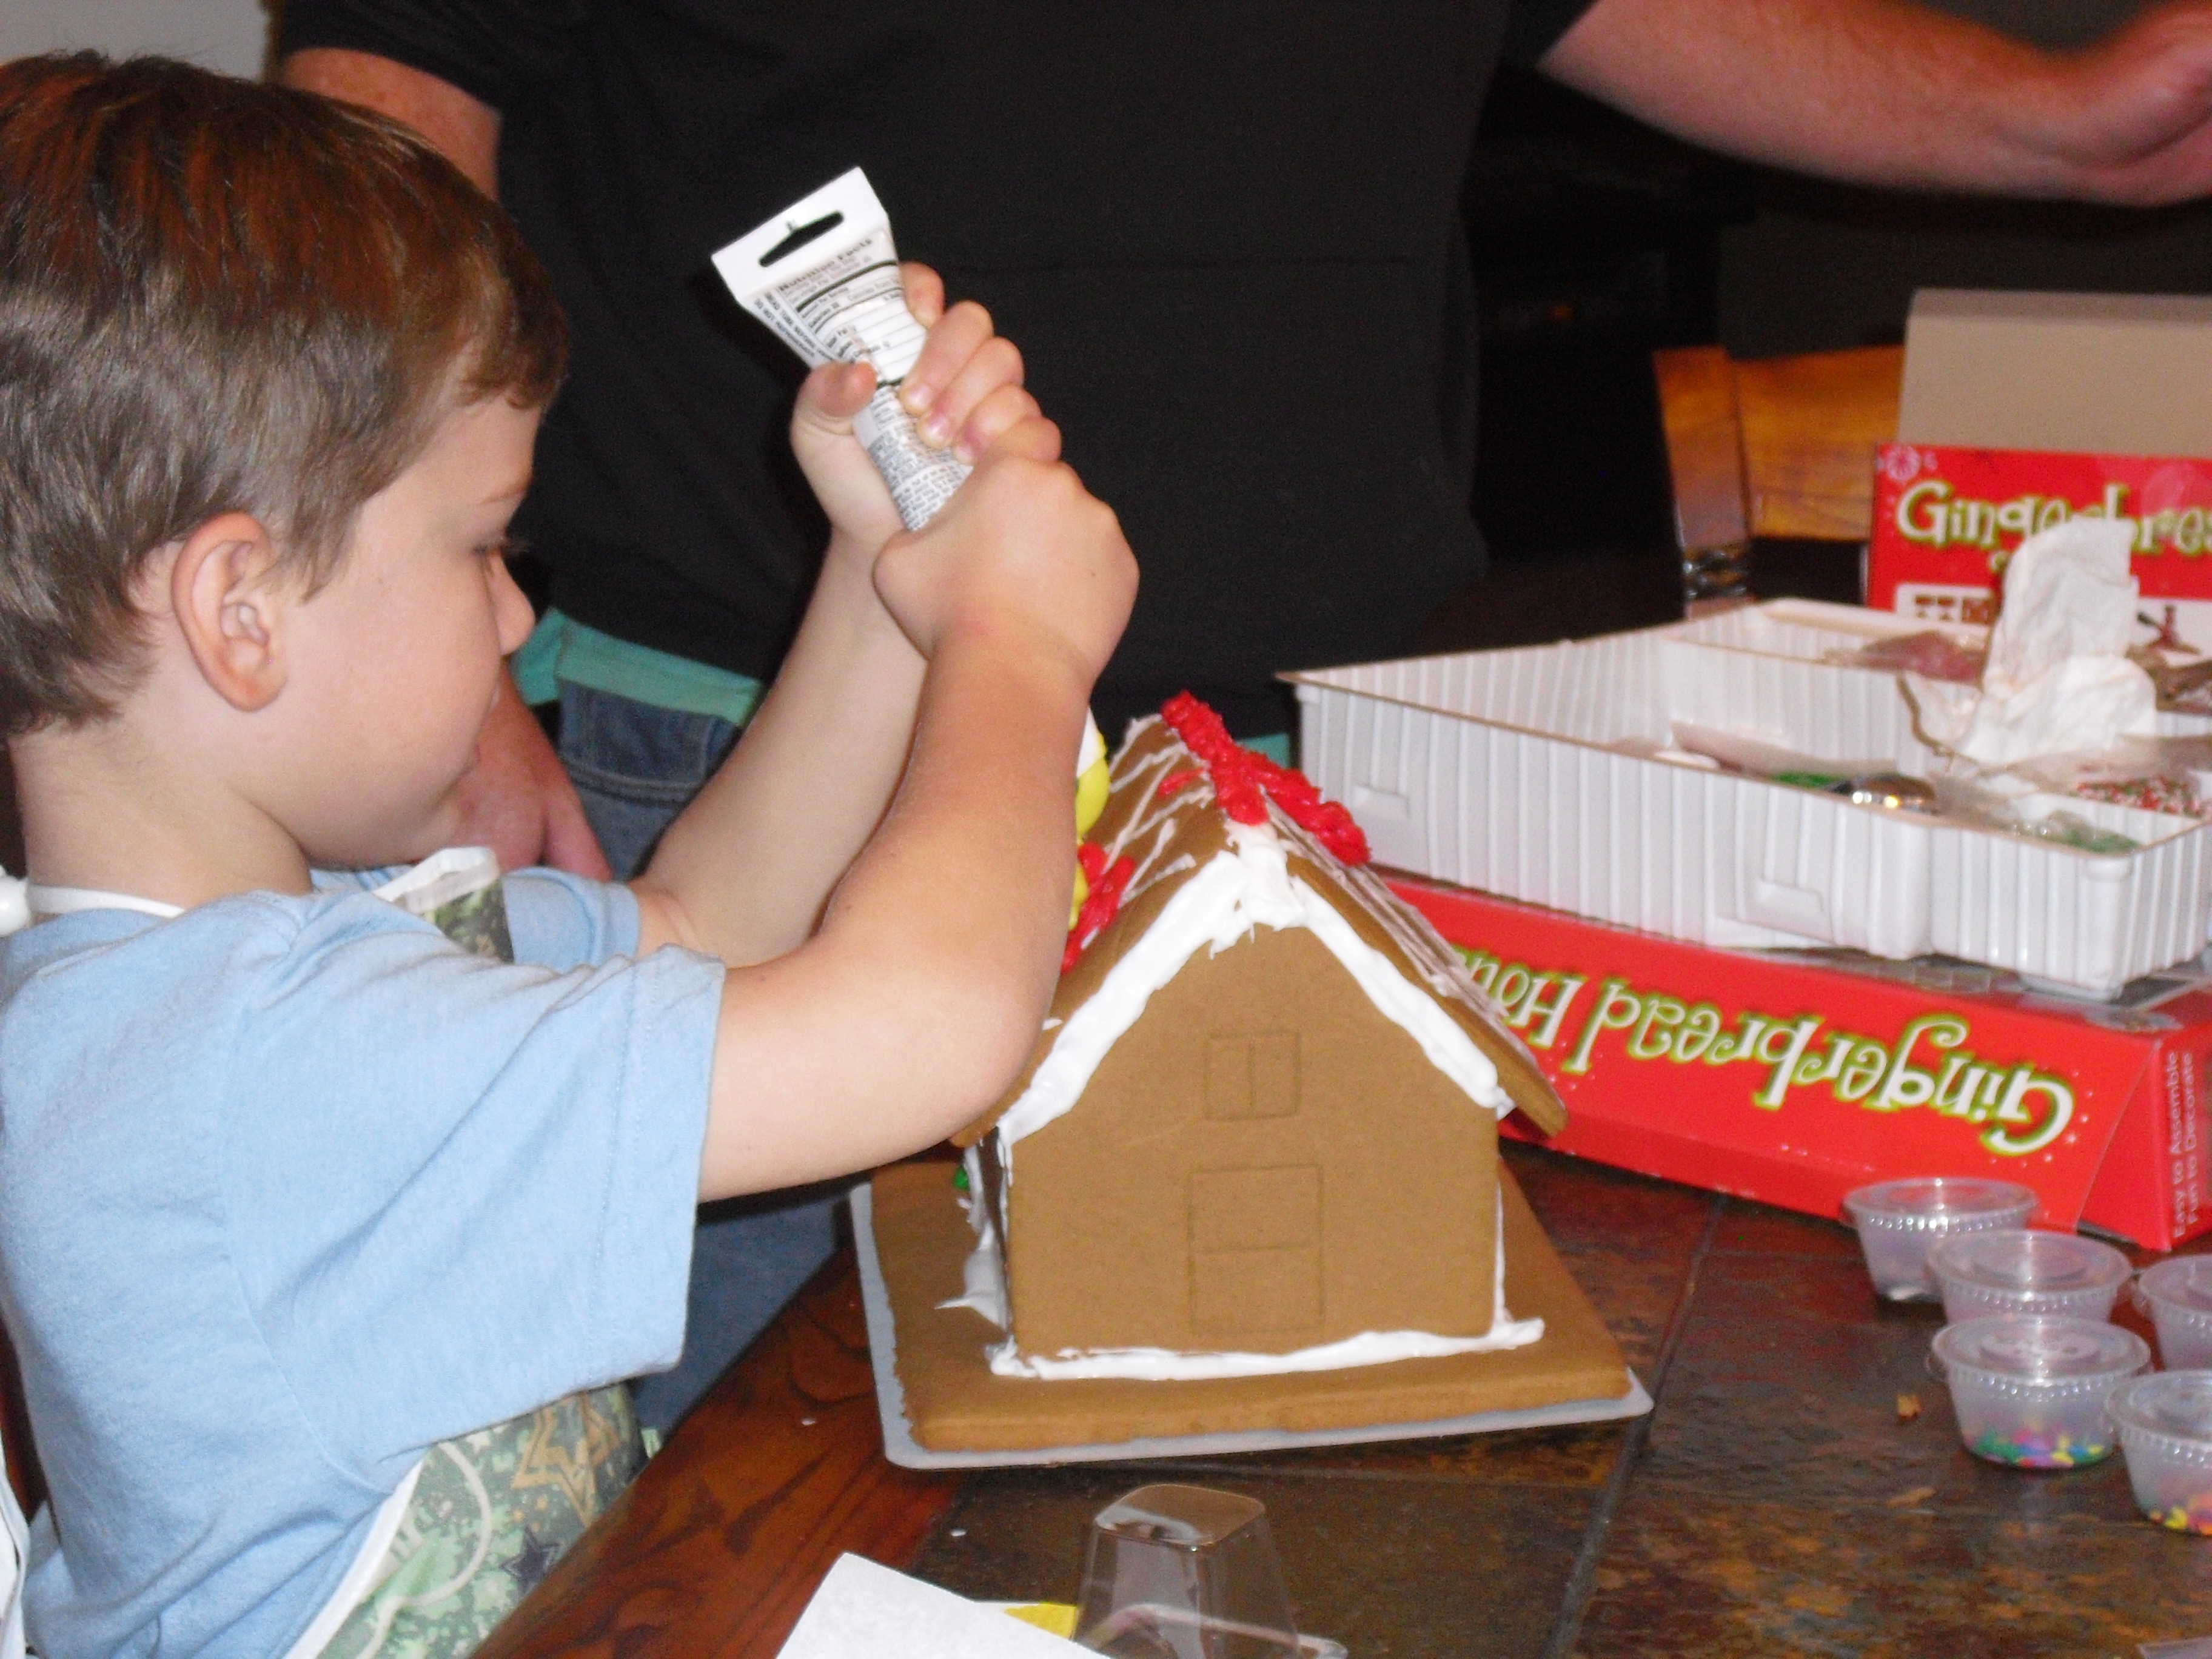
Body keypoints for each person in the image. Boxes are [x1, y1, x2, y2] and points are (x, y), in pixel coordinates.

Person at [272, 0, 2212, 1430]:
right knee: (700, 1488)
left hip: (1314, 769)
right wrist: (427, 656)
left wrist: (2069, 123)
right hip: (730, 766)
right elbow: (385, 94)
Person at [0, 52, 1133, 1659]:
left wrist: (885, 568)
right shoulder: (256, 1078)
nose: (520, 615)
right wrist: (1014, 649)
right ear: (237, 612)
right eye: (483, 550)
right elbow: (928, 1034)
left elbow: (706, 921)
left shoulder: (286, 967)